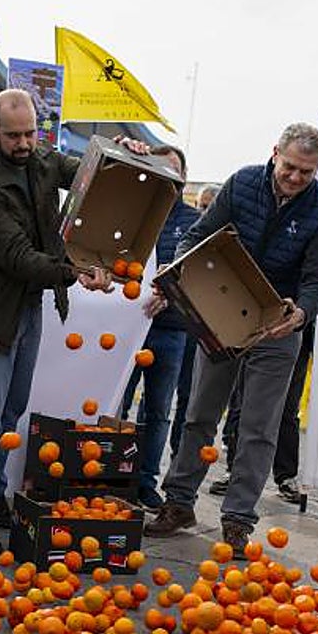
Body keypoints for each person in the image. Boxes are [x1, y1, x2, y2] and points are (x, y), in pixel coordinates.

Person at [143, 123, 318, 555]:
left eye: (306, 172)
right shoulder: (243, 183)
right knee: (199, 413)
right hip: (224, 310)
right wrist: (179, 275)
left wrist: (301, 313)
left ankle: (237, 519)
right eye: (290, 167)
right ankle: (179, 502)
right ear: (275, 153)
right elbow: (197, 236)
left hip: (278, 321)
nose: (295, 178)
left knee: (259, 427)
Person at [0, 89, 121, 554]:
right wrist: (76, 272)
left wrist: (124, 155)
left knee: (11, 411)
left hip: (29, 305)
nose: (24, 143)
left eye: (29, 133)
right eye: (14, 136)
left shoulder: (43, 158)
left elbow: (92, 171)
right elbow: (17, 257)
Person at [117, 144, 200, 509]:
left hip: (171, 329)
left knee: (158, 409)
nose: (169, 177)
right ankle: (112, 474)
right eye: (160, 169)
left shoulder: (195, 220)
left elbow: (198, 270)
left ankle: (145, 481)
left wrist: (171, 292)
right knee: (115, 402)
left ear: (182, 178)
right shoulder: (131, 212)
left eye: (175, 172)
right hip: (126, 326)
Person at [210, 320, 316, 503]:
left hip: (298, 334)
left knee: (288, 408)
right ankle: (234, 472)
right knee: (241, 404)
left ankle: (286, 476)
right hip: (256, 328)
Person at [167, 184, 221, 458]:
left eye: (210, 207)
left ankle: (180, 454)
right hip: (178, 322)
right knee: (163, 400)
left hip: (203, 327)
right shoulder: (189, 231)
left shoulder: (224, 240)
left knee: (191, 397)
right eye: (201, 206)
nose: (204, 212)